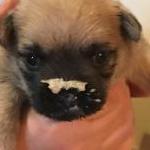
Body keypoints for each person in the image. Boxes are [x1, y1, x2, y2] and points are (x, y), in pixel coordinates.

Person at [0, 1, 148, 150]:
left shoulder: (133, 54)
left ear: (126, 34)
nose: (67, 92)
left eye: (99, 57)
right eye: (33, 60)